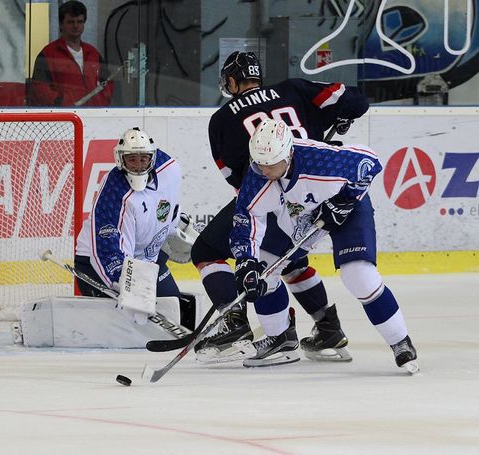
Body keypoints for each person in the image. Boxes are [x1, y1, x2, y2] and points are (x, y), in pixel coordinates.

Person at [192, 50, 369, 363]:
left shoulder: (221, 119)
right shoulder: (293, 89)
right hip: (318, 194)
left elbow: (236, 179)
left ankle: (237, 324)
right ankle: (328, 327)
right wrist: (342, 115)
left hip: (271, 197)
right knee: (290, 261)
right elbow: (355, 99)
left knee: (206, 251)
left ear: (232, 82)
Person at [228, 118, 418, 373]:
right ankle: (280, 340)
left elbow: (369, 161)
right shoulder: (258, 175)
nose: (263, 170)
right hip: (300, 219)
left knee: (358, 276)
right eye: (258, 163)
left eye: (270, 164)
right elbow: (247, 218)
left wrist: (344, 200)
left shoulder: (319, 160)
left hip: (347, 211)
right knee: (262, 270)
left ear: (288, 154)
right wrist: (245, 262)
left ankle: (401, 343)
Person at [74, 127, 196, 328]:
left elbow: (167, 206)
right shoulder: (114, 193)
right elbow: (105, 248)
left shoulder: (170, 169)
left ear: (152, 158)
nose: (138, 165)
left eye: (143, 159)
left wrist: (176, 225)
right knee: (129, 326)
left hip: (147, 261)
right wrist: (126, 283)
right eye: (132, 160)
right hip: (97, 263)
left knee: (175, 310)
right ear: (120, 160)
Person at [27, 0, 113, 107]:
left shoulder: (93, 53)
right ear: (61, 24)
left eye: (80, 21)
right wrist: (64, 104)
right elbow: (40, 89)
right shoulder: (48, 54)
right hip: (64, 117)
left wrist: (100, 102)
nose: (76, 26)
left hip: (93, 115)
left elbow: (108, 82)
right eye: (71, 22)